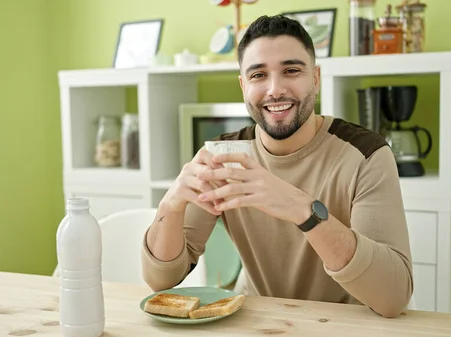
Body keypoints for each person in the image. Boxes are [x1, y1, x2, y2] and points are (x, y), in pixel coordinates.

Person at [141, 14, 413, 318]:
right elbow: (161, 280)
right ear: (243, 86)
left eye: (291, 70)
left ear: (315, 78)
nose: (274, 89)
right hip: (257, 321)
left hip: (345, 326)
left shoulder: (366, 155)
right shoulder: (223, 156)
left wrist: (303, 210)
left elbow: (392, 298)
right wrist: (171, 203)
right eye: (258, 75)